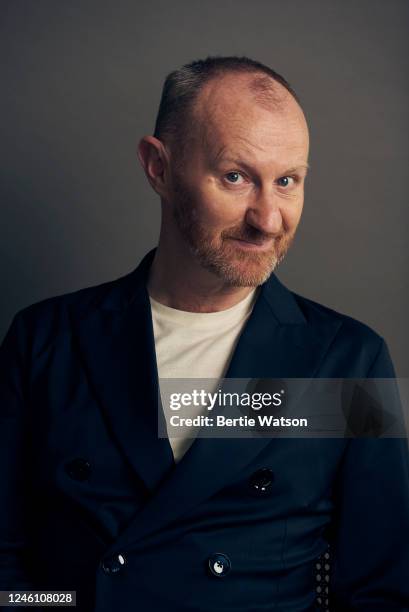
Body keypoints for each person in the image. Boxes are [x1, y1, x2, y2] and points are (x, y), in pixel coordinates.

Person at [0, 56, 408, 612]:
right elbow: (7, 571)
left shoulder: (350, 361)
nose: (267, 218)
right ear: (158, 167)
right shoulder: (43, 341)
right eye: (236, 177)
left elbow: (382, 591)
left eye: (287, 182)